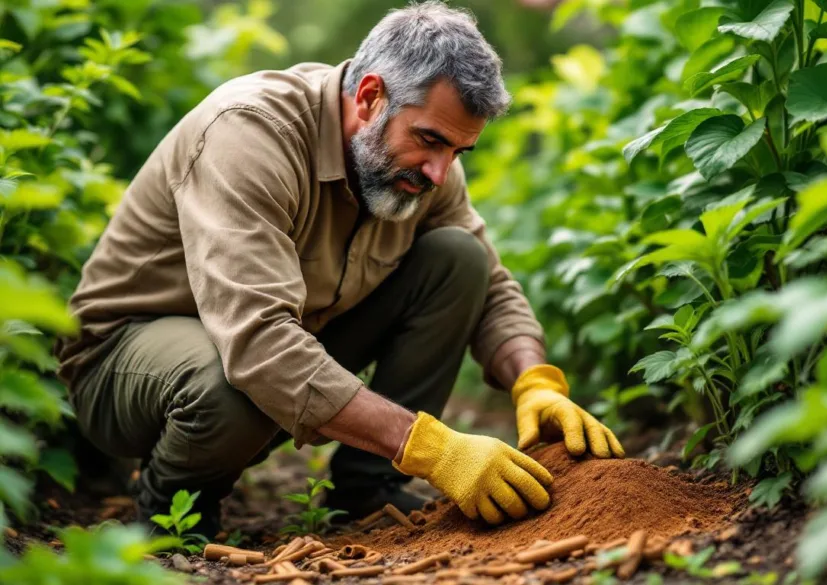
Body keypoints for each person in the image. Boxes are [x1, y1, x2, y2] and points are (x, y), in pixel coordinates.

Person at [53, 1, 624, 539]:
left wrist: (535, 382)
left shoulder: (424, 162)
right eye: (429, 140)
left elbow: (491, 284)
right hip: (125, 363)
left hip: (276, 343)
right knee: (231, 386)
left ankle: (368, 487)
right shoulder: (250, 133)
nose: (439, 170)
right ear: (371, 95)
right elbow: (258, 344)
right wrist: (431, 448)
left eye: (457, 152)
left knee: (458, 258)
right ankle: (171, 512)